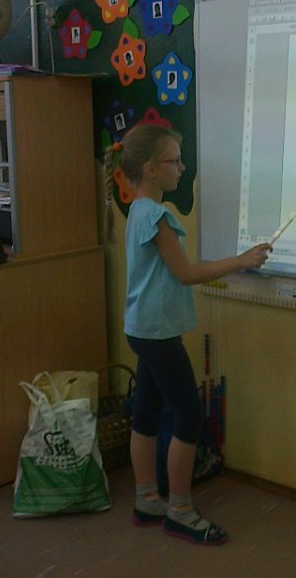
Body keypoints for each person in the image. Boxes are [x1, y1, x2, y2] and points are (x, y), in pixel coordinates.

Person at [103, 123, 271, 546]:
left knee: (145, 414)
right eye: (174, 161)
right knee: (189, 416)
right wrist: (241, 260)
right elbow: (186, 273)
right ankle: (179, 510)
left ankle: (147, 500)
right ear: (150, 168)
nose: (181, 168)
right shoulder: (157, 217)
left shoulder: (138, 210)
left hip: (142, 328)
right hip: (157, 333)